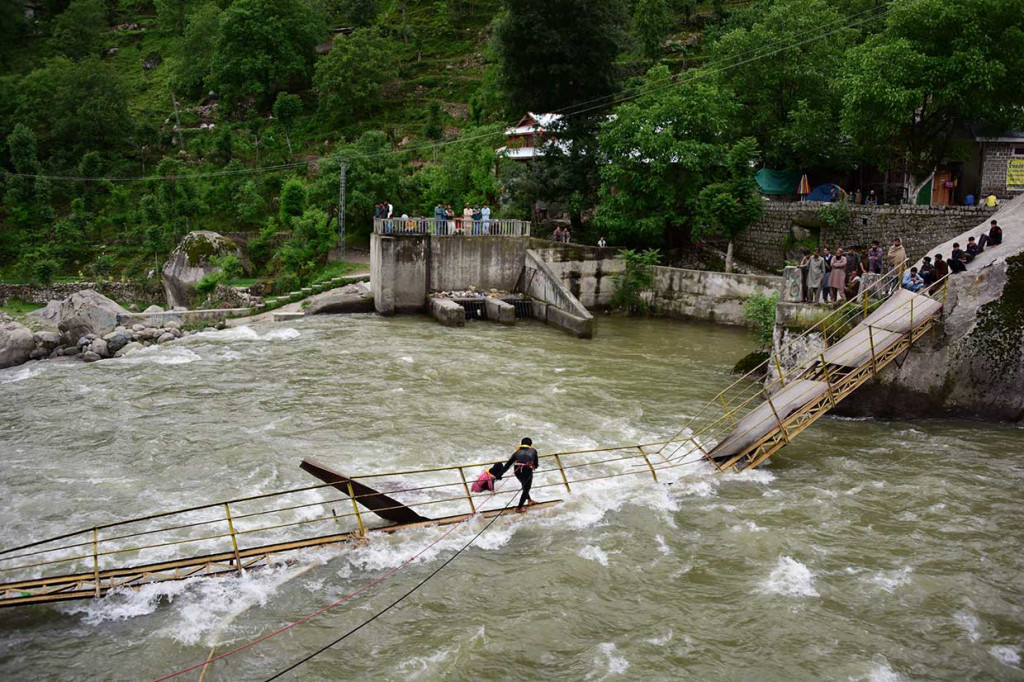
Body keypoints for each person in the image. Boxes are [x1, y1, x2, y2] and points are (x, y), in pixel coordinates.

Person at [505, 437, 539, 512]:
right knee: (526, 488)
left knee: (524, 486)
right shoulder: (533, 451)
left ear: (521, 444)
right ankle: (519, 507)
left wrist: (499, 475)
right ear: (530, 444)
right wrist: (532, 464)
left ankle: (529, 500)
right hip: (527, 470)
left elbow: (508, 465)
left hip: (517, 470)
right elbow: (536, 464)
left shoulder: (516, 452)